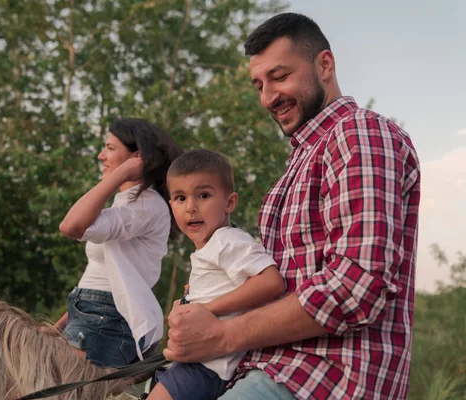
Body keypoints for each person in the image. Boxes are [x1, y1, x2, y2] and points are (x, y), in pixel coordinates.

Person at [164, 13, 421, 400]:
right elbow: (277, 283)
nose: (268, 97)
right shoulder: (300, 162)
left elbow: (357, 284)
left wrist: (221, 335)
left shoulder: (359, 134)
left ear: (325, 64)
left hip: (326, 379)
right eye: (259, 85)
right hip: (265, 369)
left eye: (280, 77)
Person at [148, 149, 285, 400]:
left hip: (206, 368)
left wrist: (208, 308)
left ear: (230, 202)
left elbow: (271, 282)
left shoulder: (227, 240)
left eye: (204, 195)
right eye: (180, 198)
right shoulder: (211, 247)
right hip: (199, 363)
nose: (191, 207)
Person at [57, 118, 182, 368]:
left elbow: (70, 226)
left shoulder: (145, 204)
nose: (101, 155)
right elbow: (104, 277)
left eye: (110, 148)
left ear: (137, 157)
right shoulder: (128, 202)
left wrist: (122, 174)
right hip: (91, 313)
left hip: (106, 320)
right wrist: (59, 326)